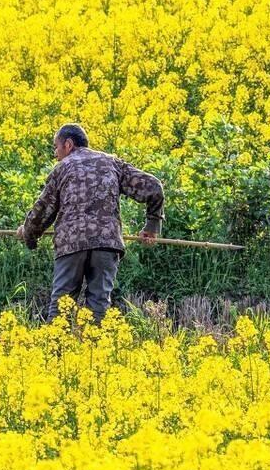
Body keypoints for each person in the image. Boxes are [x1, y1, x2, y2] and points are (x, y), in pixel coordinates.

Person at [16, 123, 165, 323]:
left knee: (61, 307)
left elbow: (43, 210)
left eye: (56, 147)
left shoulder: (62, 168)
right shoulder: (112, 163)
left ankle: (55, 352)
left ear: (68, 145)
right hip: (106, 244)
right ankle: (95, 352)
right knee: (98, 308)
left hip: (72, 245)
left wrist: (28, 235)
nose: (55, 153)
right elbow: (154, 187)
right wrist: (152, 226)